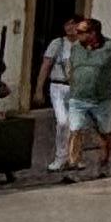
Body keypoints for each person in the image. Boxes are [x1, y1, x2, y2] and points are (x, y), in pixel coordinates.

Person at [63, 20, 111, 180]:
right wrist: (73, 83)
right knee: (75, 131)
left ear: (93, 33)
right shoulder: (76, 48)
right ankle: (73, 166)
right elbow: (72, 67)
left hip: (102, 98)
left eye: (81, 32)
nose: (77, 34)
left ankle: (104, 164)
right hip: (78, 97)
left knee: (104, 132)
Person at [42, 15, 86, 178]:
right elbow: (46, 65)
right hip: (58, 86)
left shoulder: (84, 44)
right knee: (62, 122)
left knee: (76, 124)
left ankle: (74, 157)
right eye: (67, 24)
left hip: (77, 88)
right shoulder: (57, 44)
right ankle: (60, 157)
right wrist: (39, 88)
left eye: (73, 24)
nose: (70, 27)